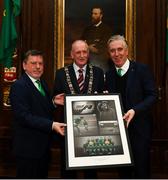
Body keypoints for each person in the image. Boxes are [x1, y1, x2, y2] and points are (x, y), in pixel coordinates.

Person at [105, 35, 157, 178]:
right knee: (123, 172)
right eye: (112, 51)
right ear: (109, 54)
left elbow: (153, 96)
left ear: (127, 51)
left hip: (140, 129)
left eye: (120, 49)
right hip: (118, 133)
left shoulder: (141, 70)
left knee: (141, 170)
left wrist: (135, 110)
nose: (117, 54)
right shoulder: (108, 75)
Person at [9, 50, 66, 178]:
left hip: (42, 149)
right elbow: (24, 117)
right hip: (27, 150)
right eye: (33, 63)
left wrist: (53, 103)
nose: (38, 67)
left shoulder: (42, 83)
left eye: (40, 63)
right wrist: (52, 125)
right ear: (24, 66)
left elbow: (39, 109)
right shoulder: (19, 86)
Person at [53, 40, 104, 178]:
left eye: (85, 52)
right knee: (68, 170)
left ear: (88, 53)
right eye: (78, 52)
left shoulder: (98, 73)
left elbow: (103, 101)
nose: (82, 55)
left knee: (91, 170)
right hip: (68, 130)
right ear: (72, 54)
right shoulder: (61, 73)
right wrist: (54, 101)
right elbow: (55, 100)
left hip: (92, 130)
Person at [81, 7, 112, 72]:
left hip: (101, 63)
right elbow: (81, 42)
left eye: (95, 14)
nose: (93, 16)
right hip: (86, 62)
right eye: (92, 14)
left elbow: (104, 46)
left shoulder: (106, 29)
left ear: (101, 16)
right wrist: (88, 47)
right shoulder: (87, 29)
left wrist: (88, 45)